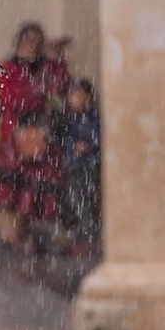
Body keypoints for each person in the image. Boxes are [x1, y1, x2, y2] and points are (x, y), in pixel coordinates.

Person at [0, 22, 70, 249]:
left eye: (37, 42)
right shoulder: (8, 67)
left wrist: (57, 59)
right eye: (28, 41)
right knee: (16, 191)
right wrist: (40, 96)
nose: (32, 46)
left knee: (35, 190)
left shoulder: (48, 67)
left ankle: (21, 234)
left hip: (40, 136)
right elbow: (12, 99)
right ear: (19, 42)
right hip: (15, 137)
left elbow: (60, 88)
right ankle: (14, 233)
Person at [0, 110, 63, 254]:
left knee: (23, 215)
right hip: (25, 182)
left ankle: (19, 241)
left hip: (26, 182)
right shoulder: (24, 137)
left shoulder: (18, 137)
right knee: (22, 215)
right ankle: (20, 241)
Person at [58, 78, 102, 255]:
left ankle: (88, 239)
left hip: (88, 167)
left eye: (77, 94)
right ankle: (77, 237)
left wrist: (88, 146)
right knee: (73, 202)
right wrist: (70, 147)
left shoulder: (92, 118)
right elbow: (64, 139)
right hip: (73, 167)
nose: (73, 98)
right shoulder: (69, 119)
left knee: (87, 203)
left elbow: (97, 137)